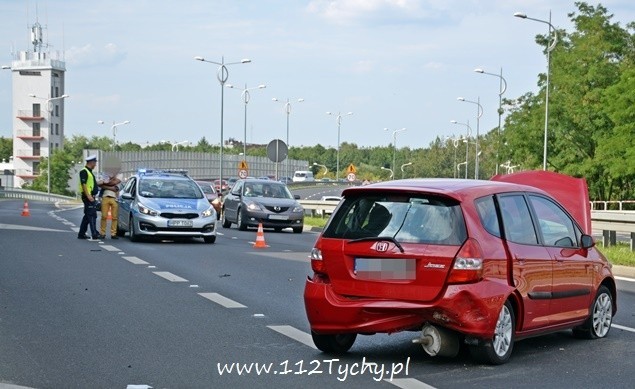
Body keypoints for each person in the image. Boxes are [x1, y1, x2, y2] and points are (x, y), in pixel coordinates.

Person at [77, 155, 102, 239]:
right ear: (91, 162)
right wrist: (88, 196)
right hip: (88, 196)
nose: (95, 165)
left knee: (87, 216)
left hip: (90, 196)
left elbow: (91, 184)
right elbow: (83, 184)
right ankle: (94, 233)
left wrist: (102, 182)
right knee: (92, 215)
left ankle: (81, 233)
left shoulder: (89, 172)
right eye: (95, 163)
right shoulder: (84, 171)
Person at [97, 172, 121, 239]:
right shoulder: (105, 175)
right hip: (105, 197)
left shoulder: (119, 175)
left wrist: (105, 183)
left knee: (114, 217)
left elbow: (115, 185)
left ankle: (113, 233)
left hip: (115, 198)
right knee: (104, 216)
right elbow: (99, 184)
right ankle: (102, 233)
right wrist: (110, 187)